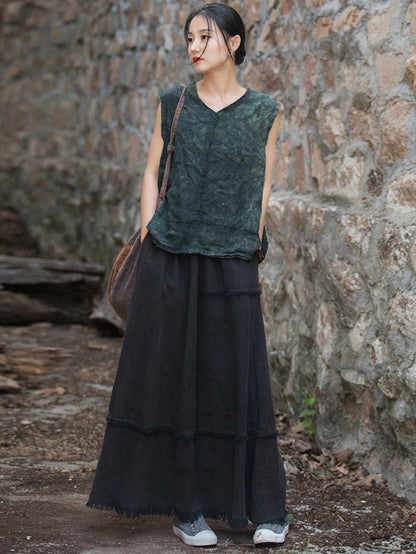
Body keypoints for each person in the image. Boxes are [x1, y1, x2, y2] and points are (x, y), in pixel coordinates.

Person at [87, 2, 288, 547]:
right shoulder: (173, 103)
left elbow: (262, 188)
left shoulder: (266, 112)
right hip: (172, 256)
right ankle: (187, 509)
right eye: (190, 38)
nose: (194, 47)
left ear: (235, 43)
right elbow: (151, 171)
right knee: (178, 380)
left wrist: (254, 238)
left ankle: (265, 507)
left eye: (206, 37)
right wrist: (150, 231)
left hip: (234, 258)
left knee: (240, 375)